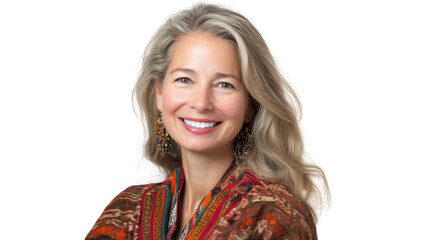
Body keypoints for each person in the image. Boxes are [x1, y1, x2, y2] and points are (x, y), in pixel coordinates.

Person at [86, 3, 329, 240]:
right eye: (184, 79)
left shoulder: (274, 215)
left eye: (225, 84)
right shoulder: (126, 209)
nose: (201, 102)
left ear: (251, 105)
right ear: (159, 93)